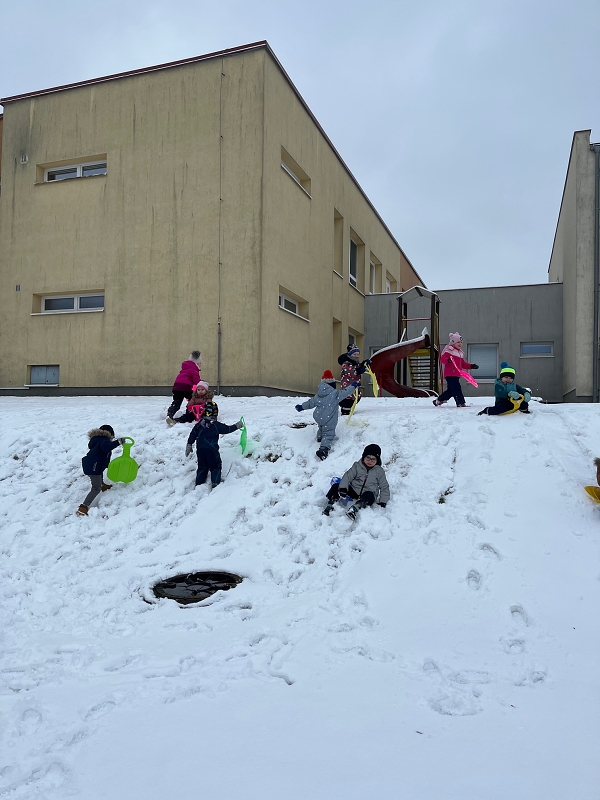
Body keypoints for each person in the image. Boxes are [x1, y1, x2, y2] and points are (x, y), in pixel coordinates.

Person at [295, 370, 359, 460]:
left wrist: (301, 407)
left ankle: (319, 437)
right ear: (332, 384)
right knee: (329, 433)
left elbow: (310, 403)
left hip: (318, 416)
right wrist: (353, 386)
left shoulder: (318, 395)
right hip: (329, 418)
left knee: (321, 426)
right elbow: (345, 392)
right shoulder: (335, 394)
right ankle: (323, 449)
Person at [323, 444, 390, 520]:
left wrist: (383, 501)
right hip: (354, 490)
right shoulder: (357, 466)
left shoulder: (379, 471)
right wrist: (343, 488)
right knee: (336, 486)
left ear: (377, 460)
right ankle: (330, 504)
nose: (370, 461)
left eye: (373, 459)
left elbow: (384, 486)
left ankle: (354, 509)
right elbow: (347, 476)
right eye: (368, 458)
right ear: (363, 457)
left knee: (369, 496)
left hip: (368, 493)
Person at [185, 401, 243, 487]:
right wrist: (237, 425)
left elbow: (192, 434)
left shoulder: (199, 424)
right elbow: (227, 429)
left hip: (200, 450)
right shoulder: (215, 425)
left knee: (202, 466)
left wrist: (189, 444)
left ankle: (199, 482)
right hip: (212, 450)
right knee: (215, 465)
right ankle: (215, 482)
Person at [77, 425, 126, 516]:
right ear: (109, 434)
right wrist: (118, 442)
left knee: (100, 473)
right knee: (96, 488)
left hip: (93, 465)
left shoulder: (98, 439)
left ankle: (102, 485)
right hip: (93, 467)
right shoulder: (103, 440)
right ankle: (83, 507)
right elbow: (106, 447)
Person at [433, 333, 478, 408]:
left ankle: (438, 400)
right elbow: (442, 359)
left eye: (461, 342)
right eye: (458, 342)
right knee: (457, 388)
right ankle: (460, 403)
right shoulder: (449, 350)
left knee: (451, 391)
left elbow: (463, 364)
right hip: (450, 374)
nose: (460, 344)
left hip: (456, 374)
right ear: (453, 342)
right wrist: (448, 360)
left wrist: (471, 366)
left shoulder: (459, 353)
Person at [167, 350, 202, 421]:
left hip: (177, 386)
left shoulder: (185, 369)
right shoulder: (194, 370)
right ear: (197, 363)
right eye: (200, 363)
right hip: (186, 387)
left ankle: (170, 413)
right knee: (192, 400)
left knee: (177, 401)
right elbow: (196, 381)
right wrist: (201, 384)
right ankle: (189, 412)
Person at [337, 344, 370, 415]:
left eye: (358, 354)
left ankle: (349, 410)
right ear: (350, 354)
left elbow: (358, 367)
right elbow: (352, 372)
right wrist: (359, 371)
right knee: (348, 398)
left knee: (355, 396)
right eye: (354, 354)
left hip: (354, 385)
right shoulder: (346, 363)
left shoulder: (354, 362)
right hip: (348, 385)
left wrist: (364, 364)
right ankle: (345, 412)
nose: (356, 356)